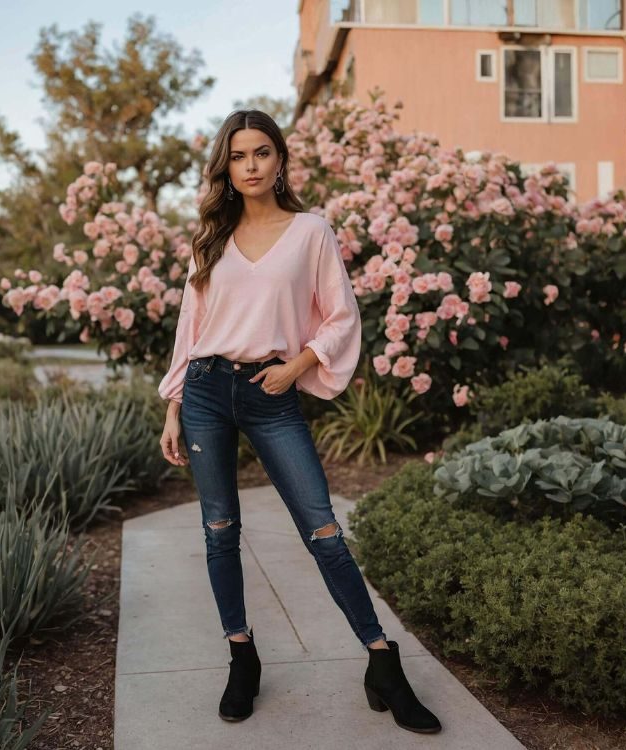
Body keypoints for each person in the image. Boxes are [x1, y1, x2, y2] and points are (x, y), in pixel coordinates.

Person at [158, 109, 441, 734]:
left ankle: (382, 662)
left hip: (271, 389)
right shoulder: (211, 238)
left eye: (261, 152)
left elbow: (340, 316)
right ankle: (241, 654)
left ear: (279, 159)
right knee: (219, 530)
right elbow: (191, 329)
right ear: (226, 168)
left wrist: (298, 365)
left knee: (323, 530)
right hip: (206, 390)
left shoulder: (310, 230)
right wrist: (175, 403)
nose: (251, 165)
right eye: (239, 156)